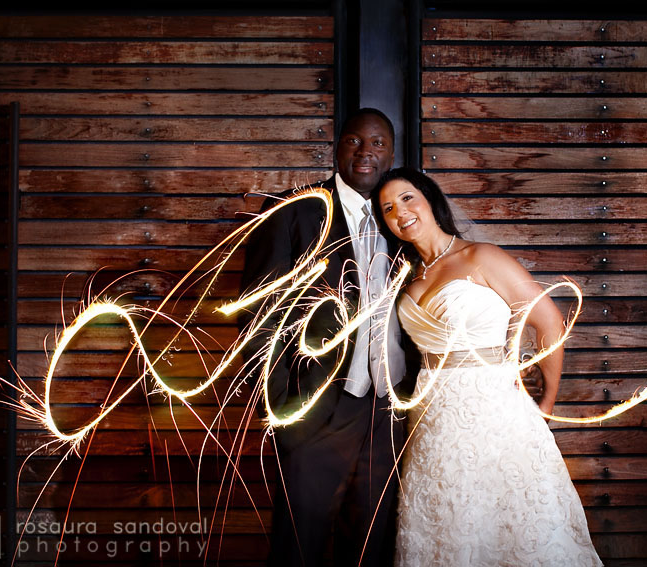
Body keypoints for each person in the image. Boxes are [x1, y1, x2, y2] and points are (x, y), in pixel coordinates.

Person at [373, 168, 602, 566]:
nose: (400, 212)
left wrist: (547, 401)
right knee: (445, 522)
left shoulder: (481, 256)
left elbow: (548, 321)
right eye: (389, 207)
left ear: (429, 200)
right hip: (432, 418)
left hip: (494, 412)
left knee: (511, 523)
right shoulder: (407, 282)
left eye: (408, 198)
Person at [239, 109, 412, 567]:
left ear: (391, 153)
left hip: (388, 413)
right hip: (317, 406)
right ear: (336, 147)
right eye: (354, 141)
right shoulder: (295, 211)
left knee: (372, 543)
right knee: (301, 542)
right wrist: (283, 405)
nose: (365, 152)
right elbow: (259, 313)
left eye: (377, 144)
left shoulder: (405, 221)